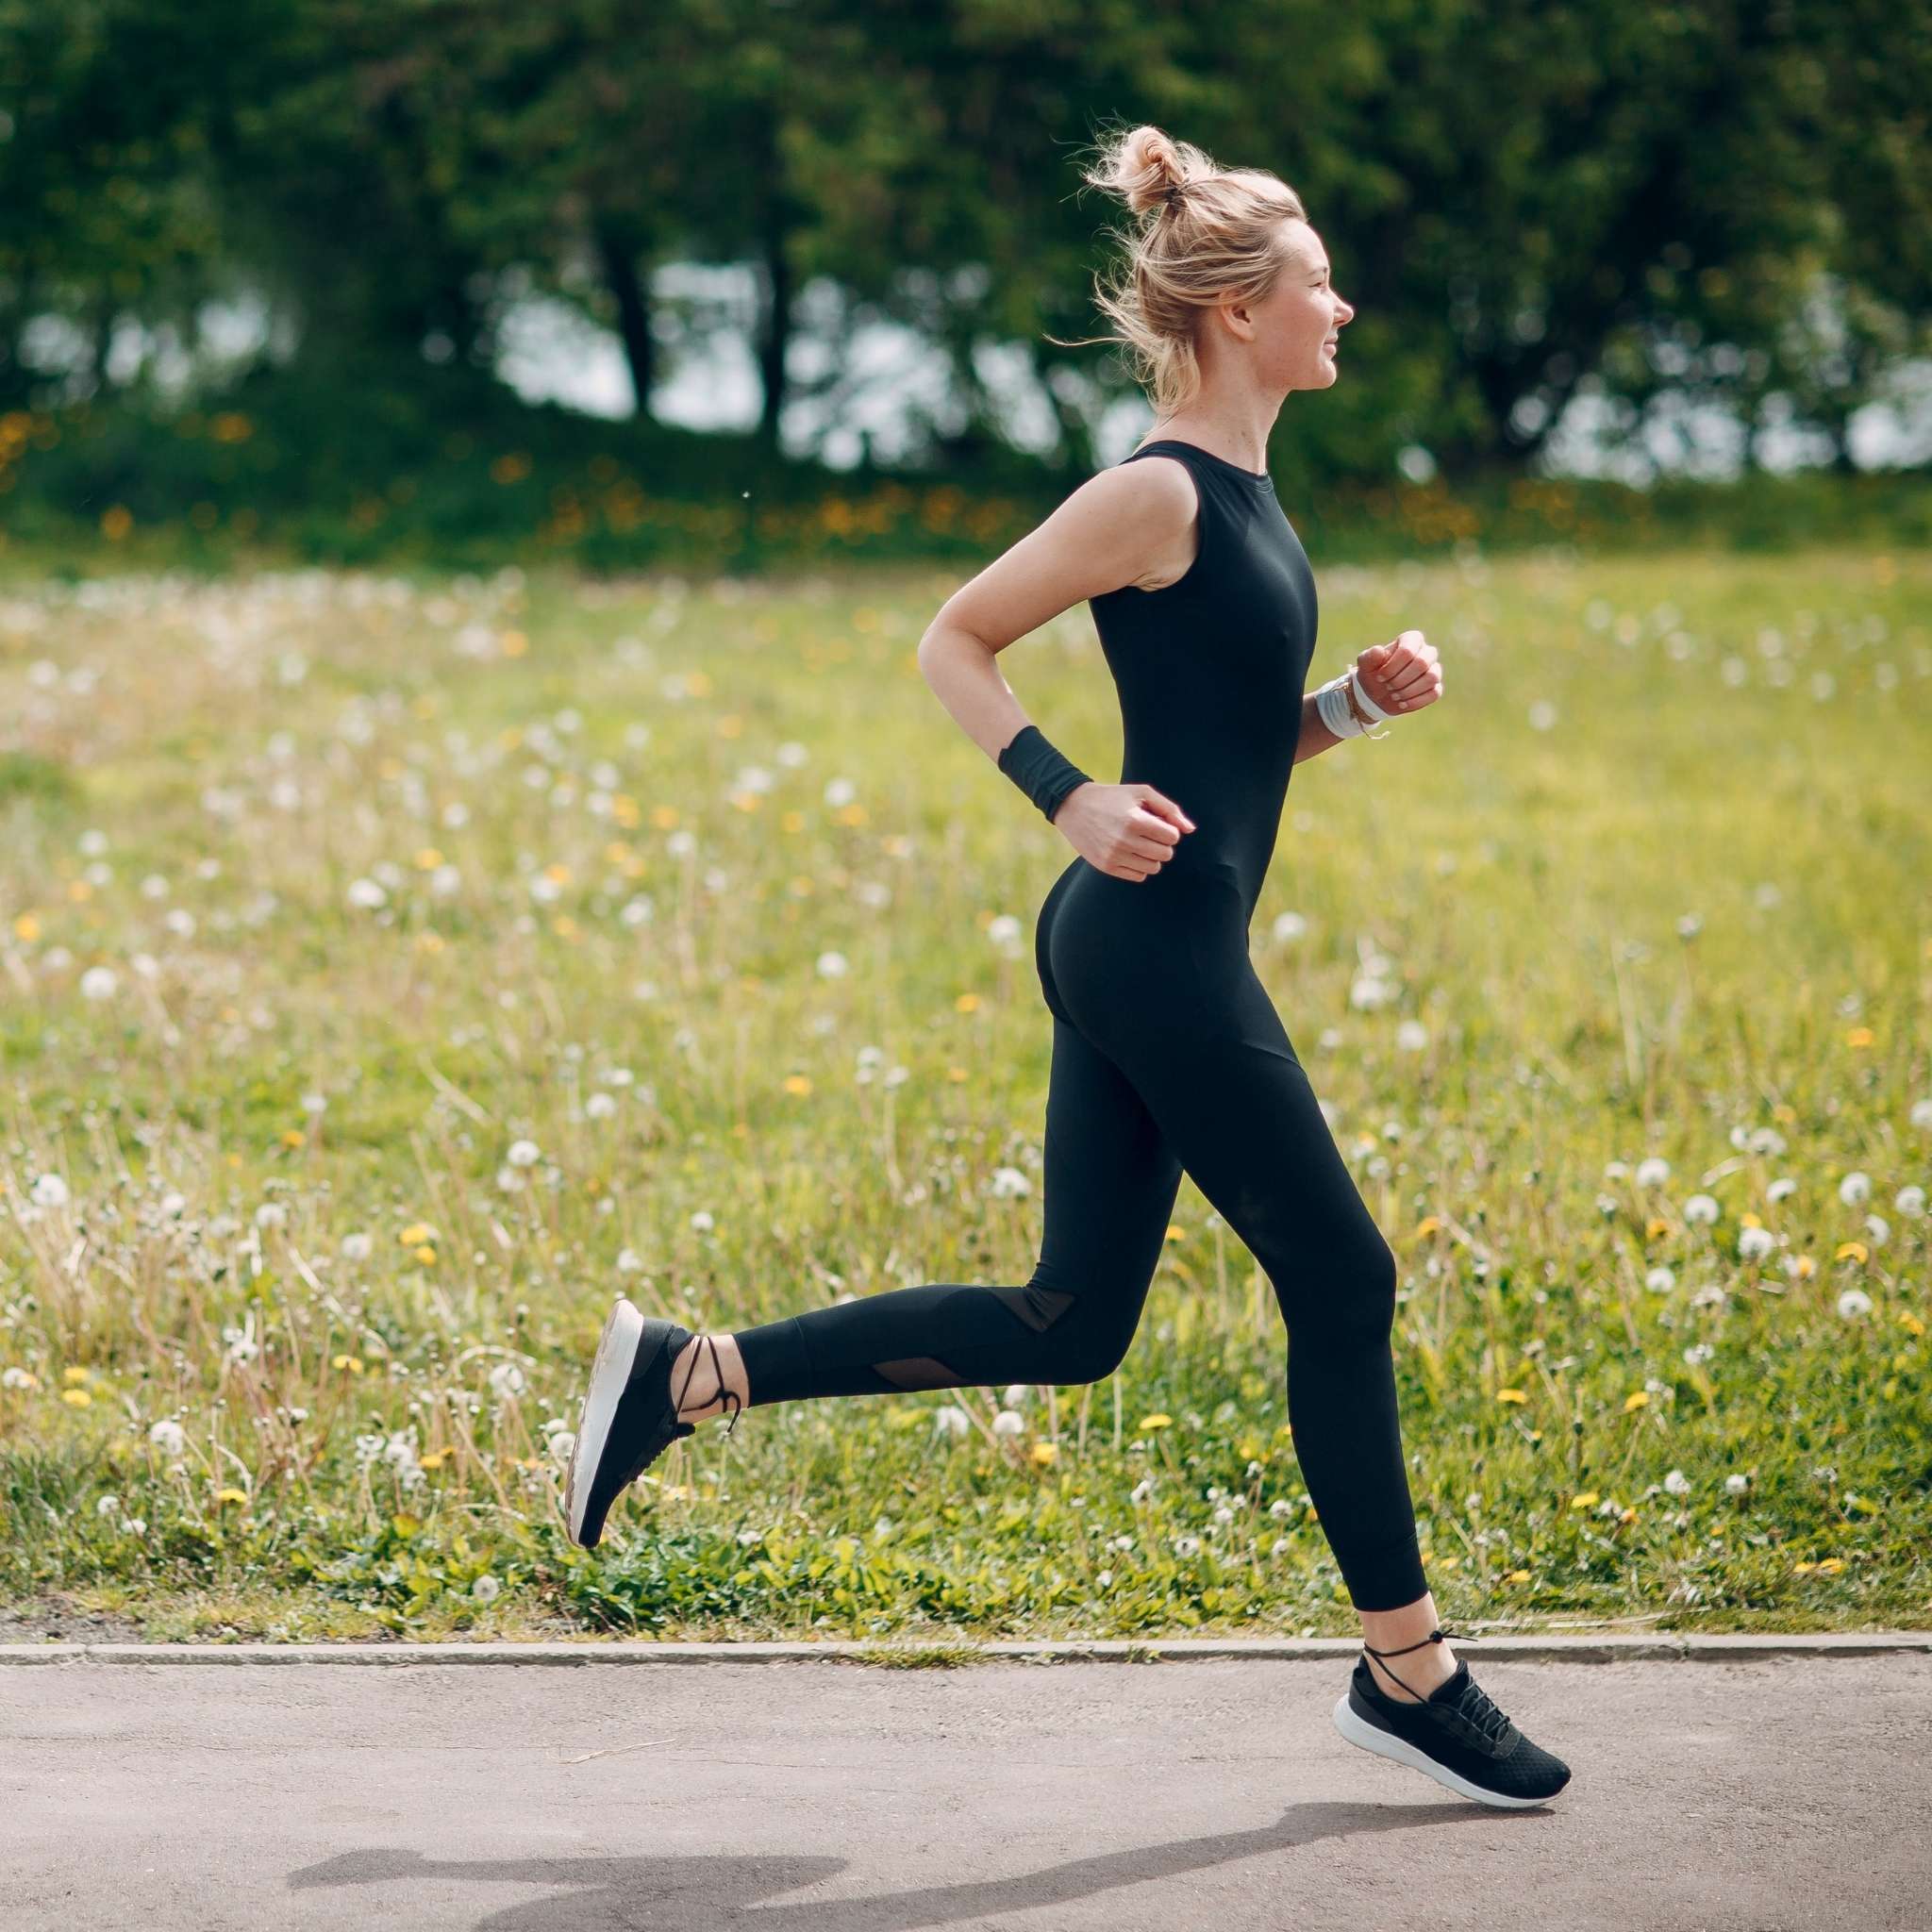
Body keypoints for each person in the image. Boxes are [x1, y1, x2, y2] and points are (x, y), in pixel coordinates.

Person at [565, 122, 1571, 1809]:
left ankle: (689, 1373)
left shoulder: (1246, 496)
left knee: (1073, 1321)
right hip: (1149, 951)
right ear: (1240, 310)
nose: (1344, 310)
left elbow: (1224, 750)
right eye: (1321, 285)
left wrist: (1347, 709)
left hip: (1153, 936)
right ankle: (1410, 1673)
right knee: (1344, 1280)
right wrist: (1067, 795)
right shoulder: (1155, 491)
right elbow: (953, 637)